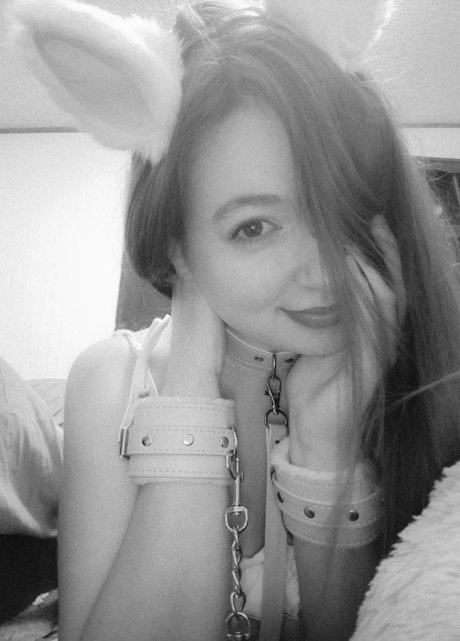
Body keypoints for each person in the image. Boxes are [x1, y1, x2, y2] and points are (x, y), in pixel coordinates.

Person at [11, 1, 460, 640]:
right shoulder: (112, 380)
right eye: (254, 227)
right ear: (177, 245)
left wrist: (327, 449)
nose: (325, 271)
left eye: (346, 206)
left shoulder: (428, 375)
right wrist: (192, 387)